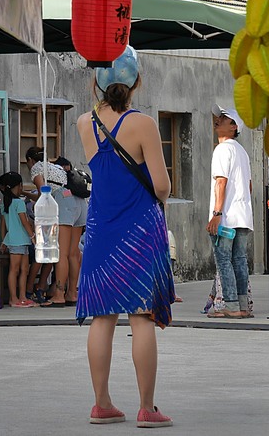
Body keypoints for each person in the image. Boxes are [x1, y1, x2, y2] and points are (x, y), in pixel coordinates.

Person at [76, 45, 175, 428]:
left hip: (100, 228)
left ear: (96, 83)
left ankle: (101, 402)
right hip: (138, 230)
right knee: (141, 317)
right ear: (136, 82)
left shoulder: (85, 122)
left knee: (102, 317)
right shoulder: (143, 125)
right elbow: (163, 186)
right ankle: (147, 408)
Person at [205, 106, 254, 319]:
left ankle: (231, 306)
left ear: (234, 127)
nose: (218, 120)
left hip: (226, 217)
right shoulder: (242, 152)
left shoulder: (222, 150)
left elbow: (221, 182)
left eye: (224, 118)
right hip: (243, 215)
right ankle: (243, 307)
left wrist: (216, 213)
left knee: (224, 260)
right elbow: (249, 186)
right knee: (239, 260)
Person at [23, 147, 87, 307]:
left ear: (30, 160)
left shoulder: (37, 168)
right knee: (73, 253)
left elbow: (43, 195)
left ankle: (58, 294)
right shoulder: (56, 167)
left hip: (63, 203)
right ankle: (72, 293)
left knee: (61, 253)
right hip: (80, 202)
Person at [0, 172, 36, 308]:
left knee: (22, 269)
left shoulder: (6, 204)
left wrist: (3, 241)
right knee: (17, 270)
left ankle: (22, 297)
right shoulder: (19, 203)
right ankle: (14, 298)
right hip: (19, 240)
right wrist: (33, 236)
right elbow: (25, 222)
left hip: (17, 240)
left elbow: (2, 226)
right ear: (18, 186)